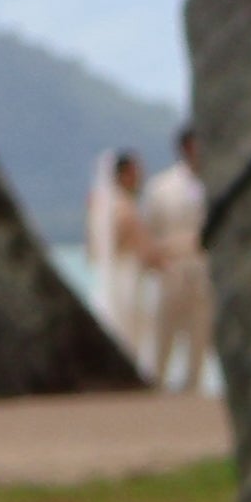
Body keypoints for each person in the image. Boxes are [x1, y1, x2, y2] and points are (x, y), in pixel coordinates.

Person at [138, 129, 216, 389]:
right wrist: (156, 262)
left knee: (199, 336)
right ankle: (155, 386)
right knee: (163, 334)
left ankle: (193, 389)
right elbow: (148, 231)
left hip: (203, 269)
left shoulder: (214, 183)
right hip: (171, 267)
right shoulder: (161, 187)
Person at [88, 144, 150, 361]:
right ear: (123, 175)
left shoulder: (99, 207)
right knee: (130, 335)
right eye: (135, 172)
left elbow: (92, 253)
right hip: (129, 280)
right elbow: (145, 251)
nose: (140, 177)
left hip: (110, 279)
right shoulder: (126, 209)